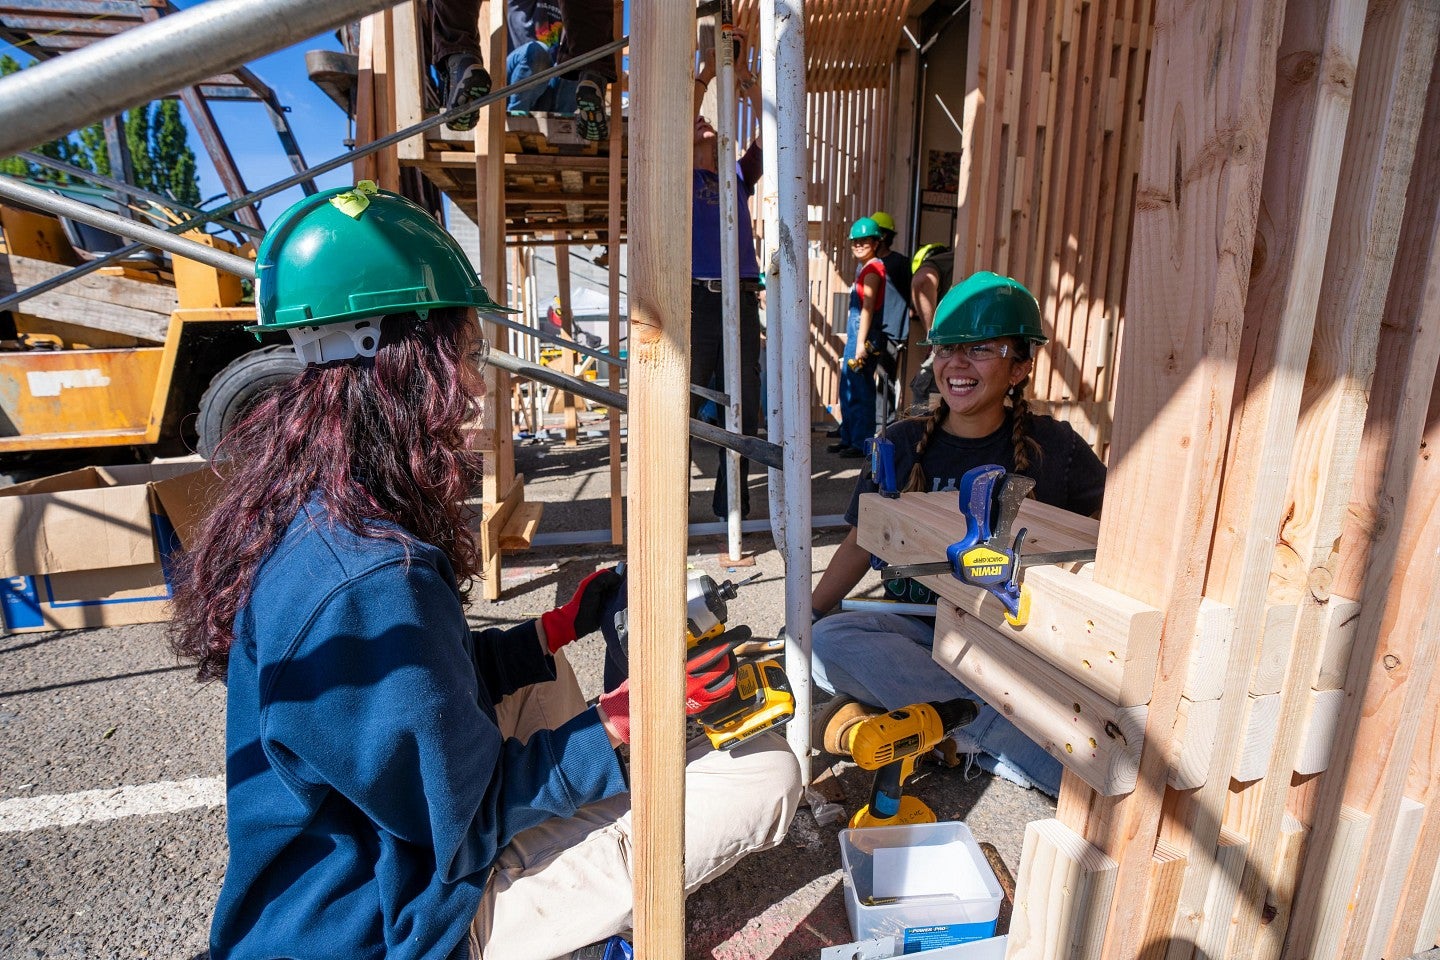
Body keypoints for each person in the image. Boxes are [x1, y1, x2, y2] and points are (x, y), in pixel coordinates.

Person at [170, 183, 802, 960]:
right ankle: (574, 905)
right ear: (402, 364)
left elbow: (422, 692)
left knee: (542, 680)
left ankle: (589, 849)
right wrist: (621, 726)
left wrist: (551, 630)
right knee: (769, 776)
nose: (473, 386)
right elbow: (463, 827)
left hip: (372, 864)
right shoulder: (364, 583)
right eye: (464, 358)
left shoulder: (319, 510)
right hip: (390, 924)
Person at [808, 271, 1106, 799]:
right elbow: (861, 540)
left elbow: (1106, 540)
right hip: (919, 634)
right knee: (828, 642)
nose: (957, 363)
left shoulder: (1055, 448)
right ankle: (995, 734)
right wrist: (804, 618)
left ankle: (952, 724)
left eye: (981, 349)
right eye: (947, 348)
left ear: (1019, 368)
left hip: (1012, 643)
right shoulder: (898, 443)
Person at [691, 34, 764, 519]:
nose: (704, 124)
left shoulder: (736, 174)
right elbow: (675, 126)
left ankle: (731, 507)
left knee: (744, 409)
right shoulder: (679, 174)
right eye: (698, 123)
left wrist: (747, 88)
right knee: (683, 407)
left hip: (739, 297)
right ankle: (667, 511)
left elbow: (774, 138)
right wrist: (708, 71)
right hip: (695, 302)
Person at [431, 0, 616, 139]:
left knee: (573, 68)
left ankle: (585, 89)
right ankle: (517, 112)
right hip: (517, 82)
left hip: (550, 89)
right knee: (537, 52)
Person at [831, 216, 888, 458]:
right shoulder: (864, 267)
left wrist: (859, 346)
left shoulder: (874, 268)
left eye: (864, 241)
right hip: (857, 334)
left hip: (863, 336)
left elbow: (867, 308)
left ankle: (860, 443)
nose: (858, 245)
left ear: (875, 243)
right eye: (855, 242)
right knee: (848, 386)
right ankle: (848, 437)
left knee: (861, 390)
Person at [869, 211, 912, 424]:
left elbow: (911, 297)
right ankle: (861, 427)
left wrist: (904, 329)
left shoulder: (900, 264)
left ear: (883, 236)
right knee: (863, 378)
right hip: (871, 330)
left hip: (892, 331)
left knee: (885, 379)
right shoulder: (868, 264)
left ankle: (884, 425)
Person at [906, 242, 956, 410]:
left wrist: (932, 334)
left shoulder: (945, 261)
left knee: (925, 391)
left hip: (949, 345)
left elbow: (922, 281)